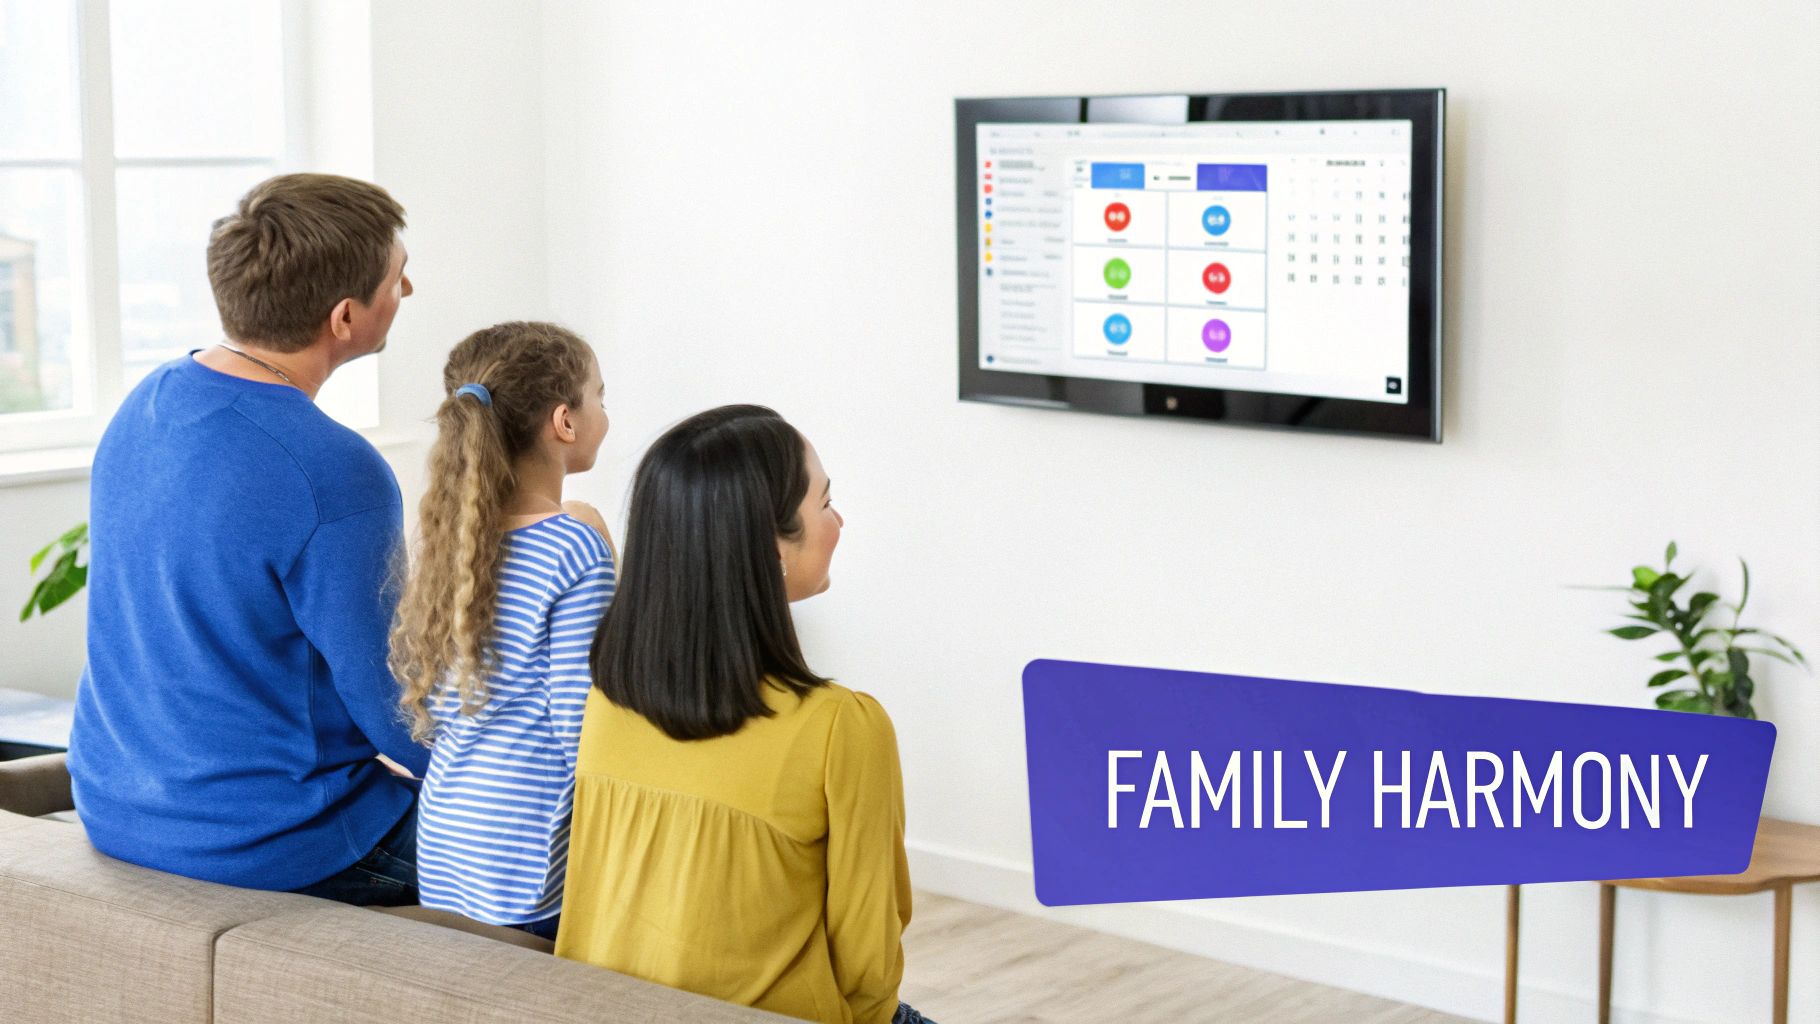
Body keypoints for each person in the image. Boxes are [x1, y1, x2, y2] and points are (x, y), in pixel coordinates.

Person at [68, 173, 428, 904]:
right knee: (580, 859)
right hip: (276, 842)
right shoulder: (333, 470)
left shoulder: (149, 401)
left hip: (118, 807)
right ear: (346, 317)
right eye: (397, 277)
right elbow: (397, 707)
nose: (409, 289)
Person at [558, 405, 932, 1024]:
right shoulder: (843, 728)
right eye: (825, 503)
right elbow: (868, 970)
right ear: (770, 545)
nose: (838, 521)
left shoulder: (609, 697)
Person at [391, 321, 615, 941]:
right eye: (601, 395)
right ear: (565, 421)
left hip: (448, 843)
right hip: (526, 853)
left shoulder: (453, 544)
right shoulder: (574, 546)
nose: (606, 410)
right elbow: (584, 725)